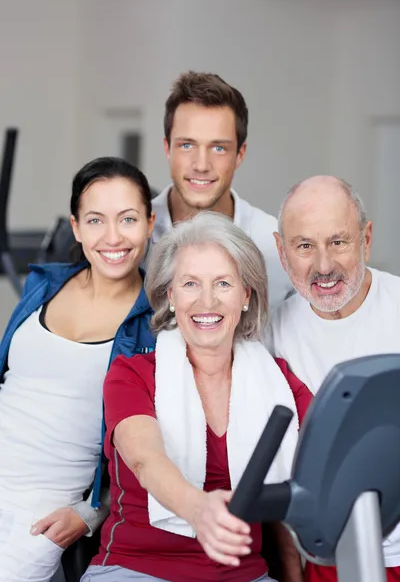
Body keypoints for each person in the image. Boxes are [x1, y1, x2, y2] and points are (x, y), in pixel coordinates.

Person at [82, 211, 311, 582]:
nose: (207, 301)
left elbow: (333, 457)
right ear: (170, 296)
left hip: (244, 575)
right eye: (190, 284)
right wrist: (197, 509)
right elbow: (145, 459)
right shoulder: (131, 375)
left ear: (246, 296)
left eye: (223, 283)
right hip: (134, 568)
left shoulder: (280, 384)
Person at [0, 157, 156, 582]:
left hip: (42, 514)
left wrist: (91, 513)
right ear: (75, 227)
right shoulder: (44, 285)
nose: (112, 237)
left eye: (127, 219)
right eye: (95, 220)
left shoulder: (156, 323)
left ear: (149, 222)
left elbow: (154, 451)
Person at [266, 175, 400, 582]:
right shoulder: (269, 337)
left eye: (338, 242)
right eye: (305, 245)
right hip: (326, 558)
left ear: (366, 238)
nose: (323, 266)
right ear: (282, 251)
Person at [146, 71, 292, 309]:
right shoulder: (131, 235)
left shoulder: (273, 244)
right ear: (167, 148)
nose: (201, 165)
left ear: (240, 155)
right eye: (186, 145)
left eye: (219, 148)